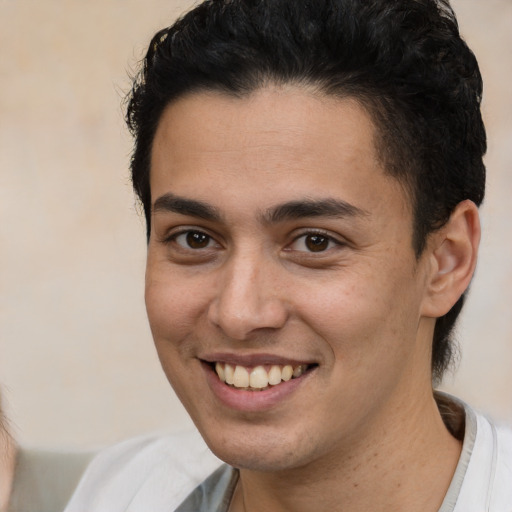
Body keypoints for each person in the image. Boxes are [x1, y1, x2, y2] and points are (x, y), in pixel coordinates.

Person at [65, 0, 512, 511]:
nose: (238, 313)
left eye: (314, 242)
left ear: (445, 261)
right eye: (194, 238)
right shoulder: (122, 489)